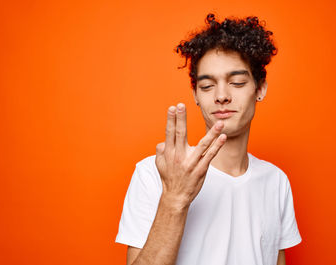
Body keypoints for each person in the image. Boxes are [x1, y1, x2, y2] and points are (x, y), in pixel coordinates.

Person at [115, 13, 302, 265]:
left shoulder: (276, 181)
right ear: (195, 94)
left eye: (236, 82)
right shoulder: (153, 174)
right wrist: (174, 198)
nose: (221, 96)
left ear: (260, 89)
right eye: (207, 86)